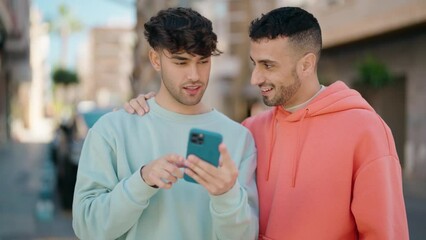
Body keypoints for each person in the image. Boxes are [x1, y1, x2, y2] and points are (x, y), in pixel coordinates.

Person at [124, 6, 409, 240]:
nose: (255, 78)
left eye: (268, 65)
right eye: (254, 63)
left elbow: (386, 233)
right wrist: (154, 105)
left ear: (306, 65)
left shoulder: (365, 130)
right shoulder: (250, 130)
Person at [72, 7, 259, 240]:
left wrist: (226, 195)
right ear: (155, 59)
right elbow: (86, 228)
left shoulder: (239, 138)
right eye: (181, 62)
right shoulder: (111, 130)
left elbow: (245, 237)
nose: (194, 75)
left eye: (203, 61)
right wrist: (141, 181)